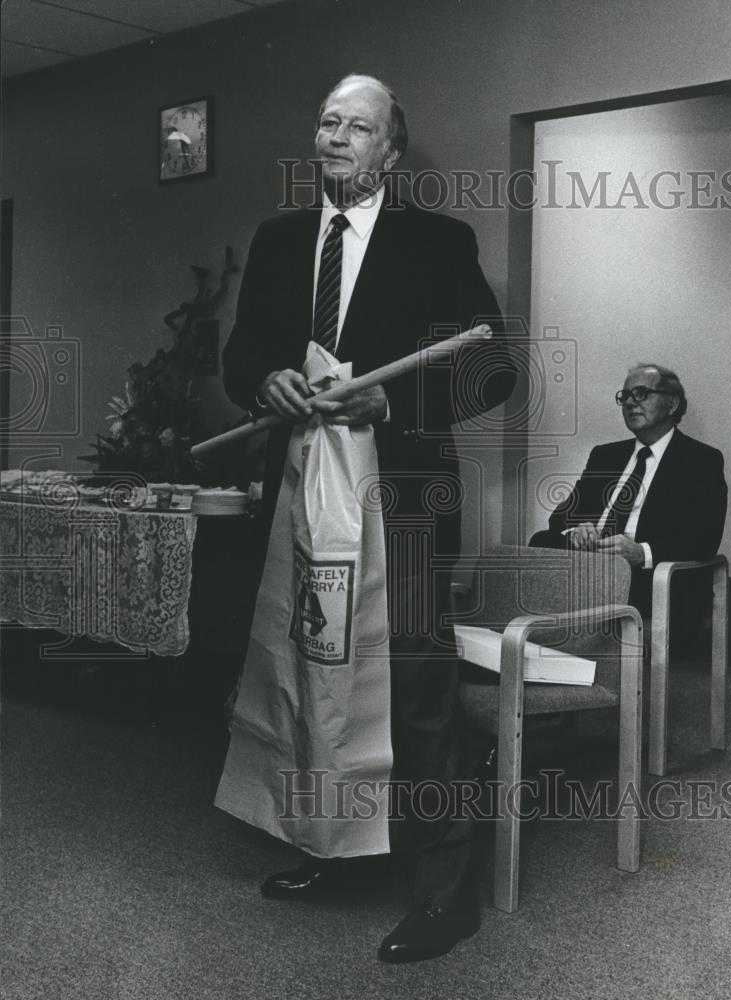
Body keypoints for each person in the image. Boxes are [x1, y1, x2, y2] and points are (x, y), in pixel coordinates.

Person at [220, 74, 516, 962]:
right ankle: (338, 852)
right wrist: (263, 379)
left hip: (404, 499)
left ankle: (441, 893)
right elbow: (242, 360)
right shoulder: (278, 242)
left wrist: (394, 405)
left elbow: (492, 369)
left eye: (357, 126)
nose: (336, 137)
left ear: (390, 150)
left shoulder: (436, 239)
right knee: (314, 674)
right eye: (326, 122)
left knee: (416, 695)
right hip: (302, 498)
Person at [530, 363, 727, 614]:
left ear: (672, 404)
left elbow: (704, 538)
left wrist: (640, 553)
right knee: (540, 541)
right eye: (625, 396)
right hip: (590, 565)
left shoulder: (701, 460)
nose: (631, 403)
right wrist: (576, 531)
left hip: (646, 578)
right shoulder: (605, 455)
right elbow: (559, 517)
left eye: (642, 393)